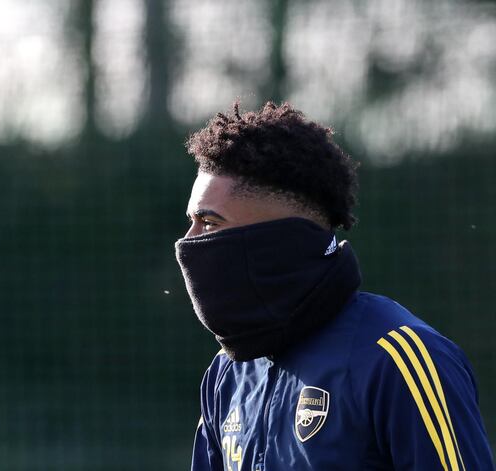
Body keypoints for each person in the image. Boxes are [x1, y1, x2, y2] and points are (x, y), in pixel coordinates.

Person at [175, 102, 494, 471]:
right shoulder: (225, 375)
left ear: (276, 236)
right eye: (191, 222)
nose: (188, 242)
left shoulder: (399, 360)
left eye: (209, 222)